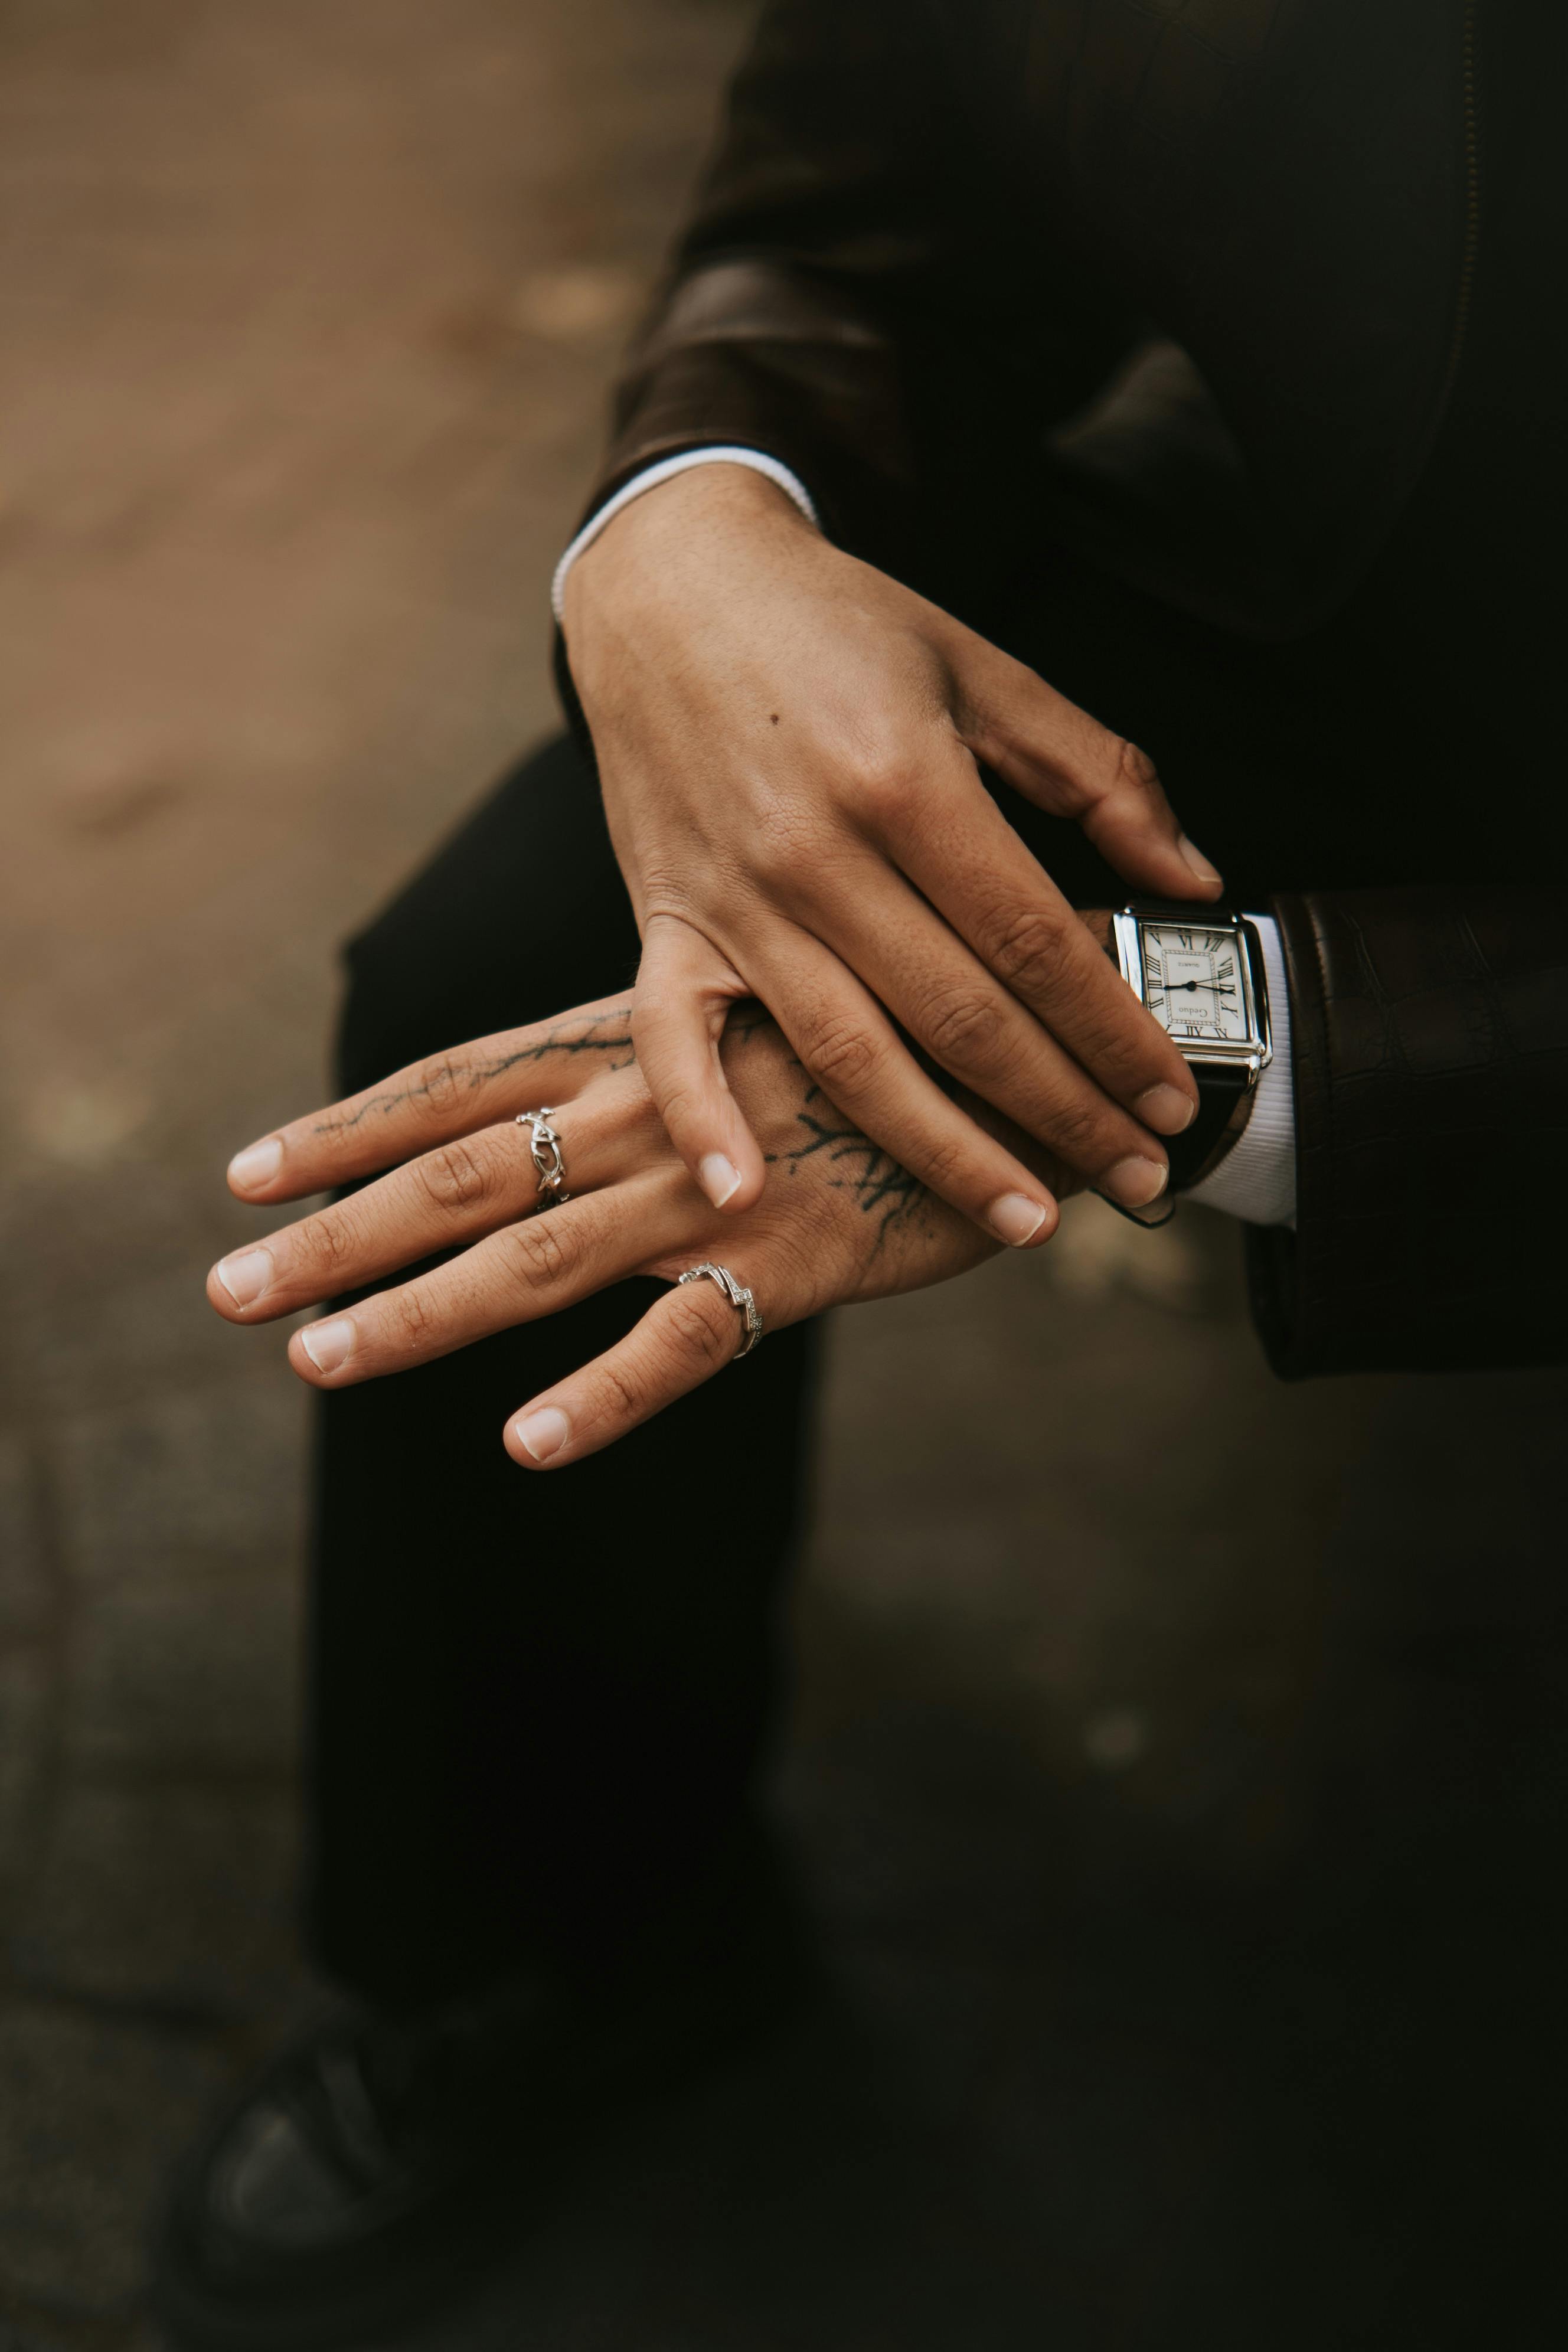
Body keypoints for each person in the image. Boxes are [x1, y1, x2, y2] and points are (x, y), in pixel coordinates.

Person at [156, 3, 1568, 2344]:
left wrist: (1200, 1056)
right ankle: (567, 1934)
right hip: (1371, 573)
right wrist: (697, 508)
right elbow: (871, 151)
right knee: (517, 979)